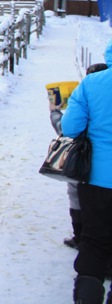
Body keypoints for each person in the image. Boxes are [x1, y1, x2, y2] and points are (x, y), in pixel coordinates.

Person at [63, 42, 112, 304]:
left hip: (96, 180)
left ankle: (87, 298)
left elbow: (71, 127)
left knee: (94, 240)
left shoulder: (92, 84)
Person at [51, 63, 109, 250]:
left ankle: (81, 238)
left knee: (81, 204)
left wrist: (54, 111)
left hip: (89, 170)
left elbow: (67, 129)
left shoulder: (88, 95)